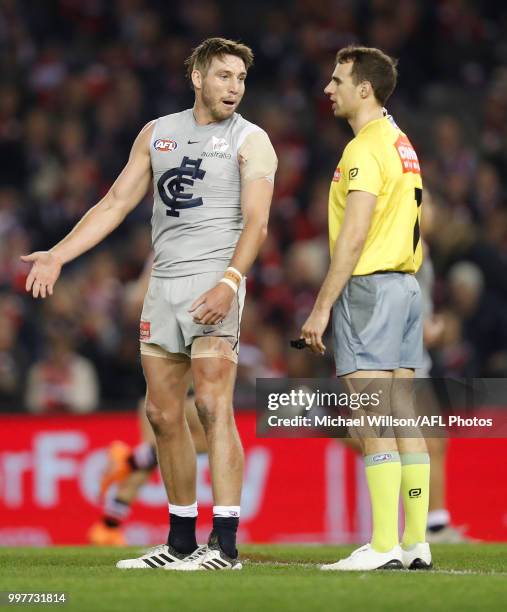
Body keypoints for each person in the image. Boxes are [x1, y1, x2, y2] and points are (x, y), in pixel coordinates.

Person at [21, 37, 277, 571]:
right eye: (225, 76)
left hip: (216, 282)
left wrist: (230, 282)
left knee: (212, 405)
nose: (235, 88)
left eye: (241, 79)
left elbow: (257, 221)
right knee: (161, 413)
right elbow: (115, 202)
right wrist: (58, 255)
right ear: (198, 77)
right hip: (164, 287)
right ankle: (181, 542)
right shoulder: (157, 134)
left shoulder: (251, 140)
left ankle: (224, 545)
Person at [300, 46, 431, 571]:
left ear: (364, 89)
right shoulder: (402, 144)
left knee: (369, 412)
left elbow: (352, 238)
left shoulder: (363, 150)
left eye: (337, 80)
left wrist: (320, 308)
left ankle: (382, 546)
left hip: (371, 288)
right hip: (406, 287)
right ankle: (415, 542)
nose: (328, 89)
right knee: (402, 411)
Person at [88, 256, 207, 547]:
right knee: (206, 439)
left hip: (166, 388)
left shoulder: (180, 263)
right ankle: (130, 460)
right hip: (172, 389)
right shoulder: (174, 262)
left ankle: (107, 525)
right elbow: (136, 302)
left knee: (151, 461)